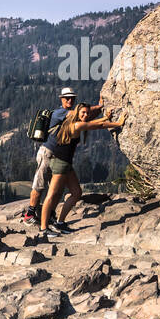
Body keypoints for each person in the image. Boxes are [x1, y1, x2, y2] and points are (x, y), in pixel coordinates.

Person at [38, 102, 123, 240]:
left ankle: (60, 222)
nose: (85, 115)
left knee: (77, 193)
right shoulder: (77, 125)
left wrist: (105, 117)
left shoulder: (74, 122)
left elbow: (93, 123)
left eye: (87, 113)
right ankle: (43, 229)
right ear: (77, 113)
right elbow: (97, 126)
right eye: (82, 112)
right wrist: (118, 123)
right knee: (51, 195)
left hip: (65, 164)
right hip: (60, 163)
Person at [22, 87, 105, 224]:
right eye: (67, 98)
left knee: (56, 190)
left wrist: (99, 107)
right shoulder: (61, 113)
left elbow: (85, 117)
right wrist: (99, 107)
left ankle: (49, 215)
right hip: (47, 153)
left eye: (72, 98)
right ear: (61, 99)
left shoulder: (71, 114)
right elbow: (82, 115)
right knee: (40, 184)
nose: (70, 100)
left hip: (58, 157)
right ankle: (30, 214)